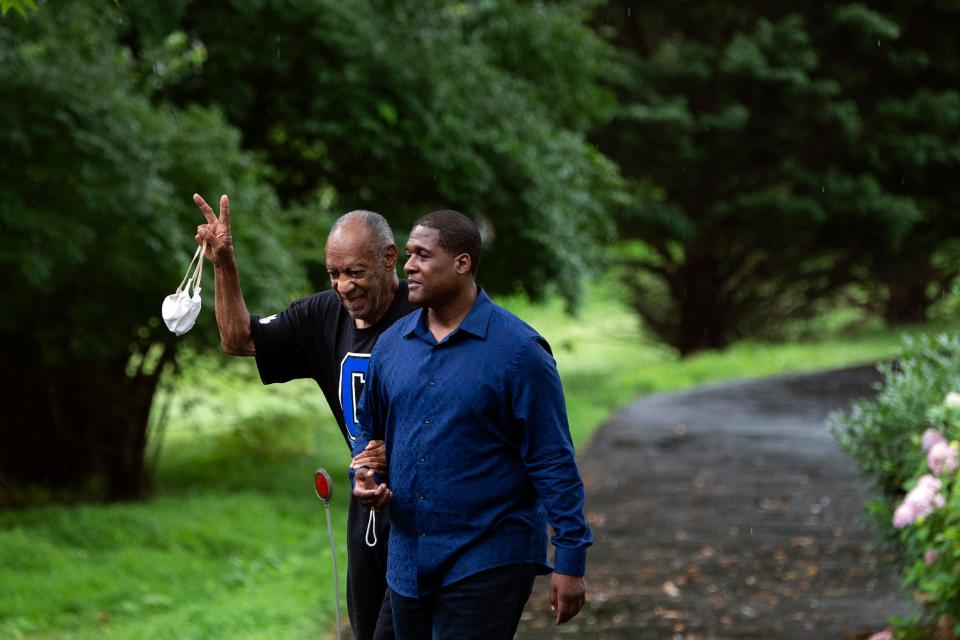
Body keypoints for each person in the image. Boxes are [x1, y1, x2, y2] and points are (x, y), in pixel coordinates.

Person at [351, 210, 592, 639]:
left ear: (462, 263)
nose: (408, 266)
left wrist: (570, 558)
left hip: (490, 553)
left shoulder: (519, 353)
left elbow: (552, 459)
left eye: (422, 255)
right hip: (408, 559)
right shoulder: (390, 347)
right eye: (408, 255)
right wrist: (367, 476)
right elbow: (371, 439)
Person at [193, 193, 418, 640]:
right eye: (334, 274)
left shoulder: (426, 311)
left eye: (356, 272)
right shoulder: (322, 315)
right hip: (366, 509)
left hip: (427, 513)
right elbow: (239, 339)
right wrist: (224, 263)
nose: (344, 286)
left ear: (389, 257)